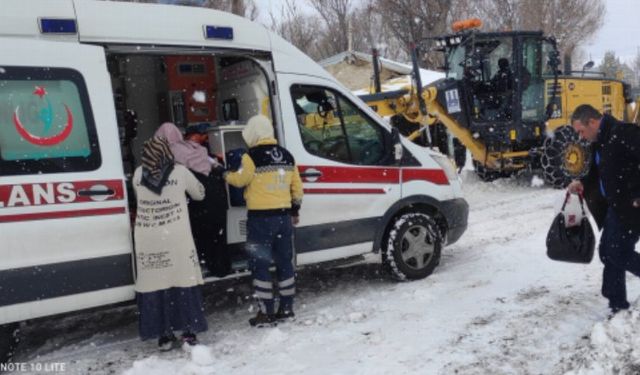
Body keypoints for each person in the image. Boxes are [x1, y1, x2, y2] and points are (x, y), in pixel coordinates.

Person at [223, 114, 304, 327]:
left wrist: (224, 174)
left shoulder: (251, 157)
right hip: (283, 219)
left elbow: (240, 179)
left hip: (260, 221)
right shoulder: (287, 156)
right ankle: (286, 309)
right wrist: (294, 210)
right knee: (285, 263)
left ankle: (266, 312)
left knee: (260, 265)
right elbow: (297, 189)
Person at [132, 137, 208, 350]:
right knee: (182, 283)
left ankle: (164, 336)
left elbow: (140, 198)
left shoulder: (138, 174)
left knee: (157, 285)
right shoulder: (180, 172)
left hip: (148, 238)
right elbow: (200, 194)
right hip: (175, 236)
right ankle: (188, 332)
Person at [567, 104, 640, 316]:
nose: (581, 136)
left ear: (592, 122)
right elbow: (601, 170)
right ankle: (617, 304)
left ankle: (617, 303)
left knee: (616, 252)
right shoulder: (601, 140)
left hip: (631, 206)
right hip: (615, 206)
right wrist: (582, 182)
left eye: (581, 130)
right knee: (608, 253)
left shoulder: (623, 133)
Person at [155, 122, 230, 277]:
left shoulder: (165, 153)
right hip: (215, 193)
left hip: (198, 197)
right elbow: (214, 166)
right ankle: (220, 267)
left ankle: (198, 265)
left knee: (199, 232)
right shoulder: (198, 149)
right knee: (217, 234)